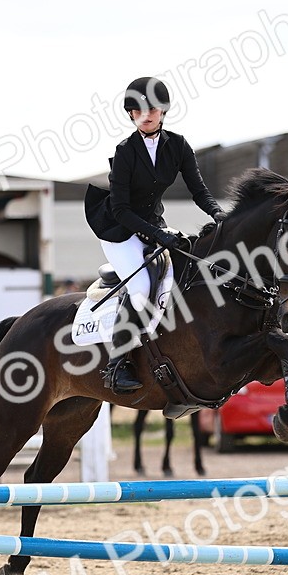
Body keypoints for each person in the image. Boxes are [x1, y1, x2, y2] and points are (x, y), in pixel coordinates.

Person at [85, 76, 227, 393]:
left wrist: (217, 213)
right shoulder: (125, 152)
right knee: (140, 285)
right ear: (131, 115)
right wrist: (157, 235)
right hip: (118, 230)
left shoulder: (178, 145)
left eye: (152, 108)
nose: (146, 115)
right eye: (138, 110)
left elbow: (199, 190)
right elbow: (121, 209)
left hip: (152, 226)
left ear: (162, 111)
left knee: (188, 269)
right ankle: (117, 364)